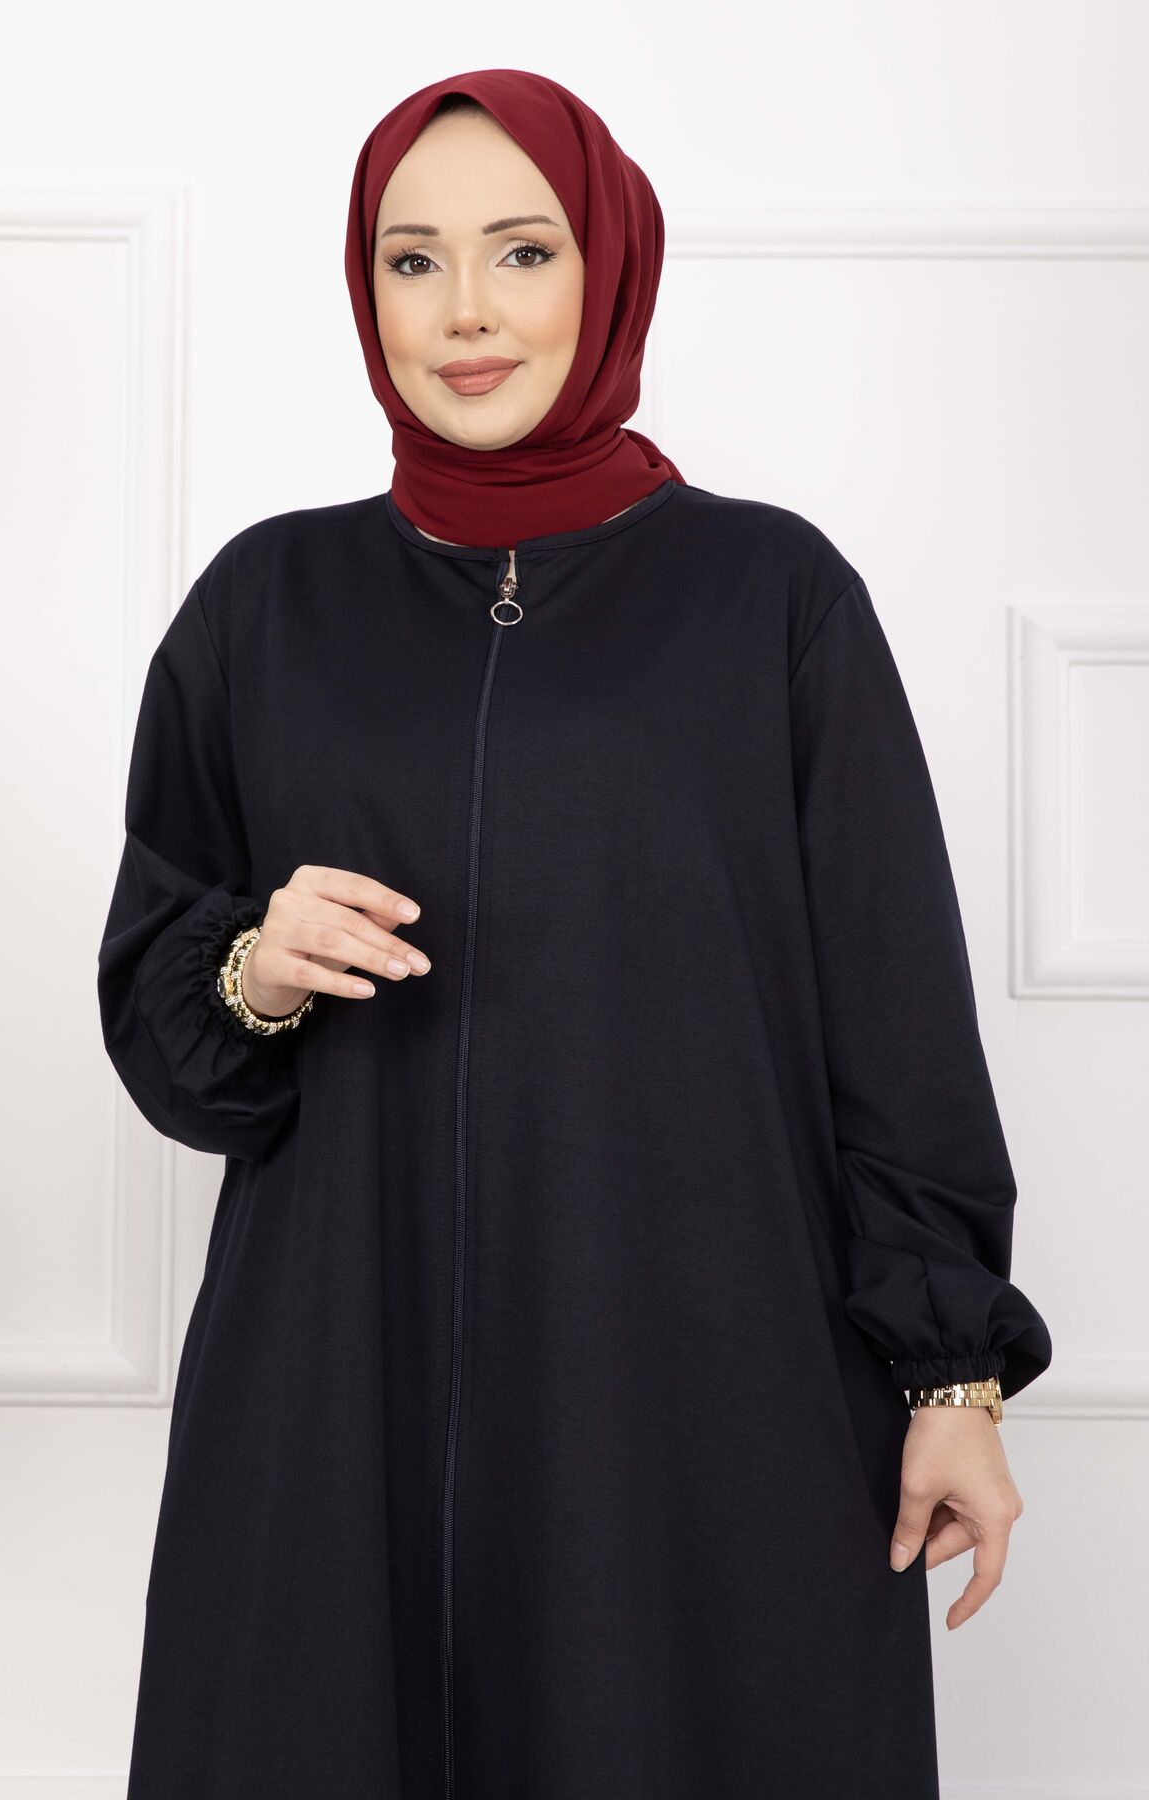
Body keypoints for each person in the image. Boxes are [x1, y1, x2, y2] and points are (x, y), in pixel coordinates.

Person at [97, 66, 1053, 1800]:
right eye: (412, 261)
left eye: (521, 251)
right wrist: (252, 967)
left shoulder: (773, 598)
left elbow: (896, 1022)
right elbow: (164, 1026)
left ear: (609, 270)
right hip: (340, 1394)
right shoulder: (264, 606)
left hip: (700, 1395)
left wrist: (953, 1378)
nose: (465, 312)